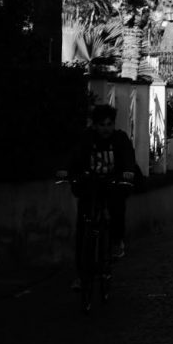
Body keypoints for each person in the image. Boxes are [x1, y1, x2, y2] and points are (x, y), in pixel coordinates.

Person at [59, 103, 139, 285]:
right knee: (83, 227)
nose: (106, 129)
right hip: (90, 184)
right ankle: (81, 275)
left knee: (117, 208)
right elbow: (74, 155)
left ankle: (116, 241)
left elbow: (128, 155)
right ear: (94, 125)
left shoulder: (120, 139)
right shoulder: (86, 138)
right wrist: (65, 169)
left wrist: (128, 170)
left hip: (113, 182)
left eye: (109, 124)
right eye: (102, 125)